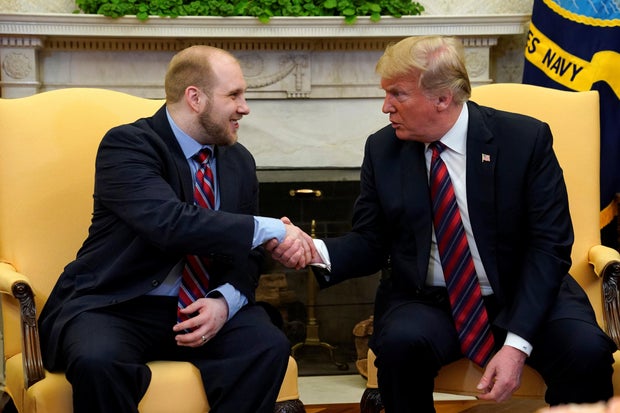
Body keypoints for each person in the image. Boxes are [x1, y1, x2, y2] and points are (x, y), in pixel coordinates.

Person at [267, 35, 616, 412]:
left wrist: (516, 345)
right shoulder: (383, 149)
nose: (386, 107)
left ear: (442, 98)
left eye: (397, 94)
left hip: (524, 292)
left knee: (586, 352)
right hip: (429, 300)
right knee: (399, 346)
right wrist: (311, 248)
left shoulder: (524, 140)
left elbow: (549, 247)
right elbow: (370, 241)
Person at [38, 45, 314, 413]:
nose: (245, 107)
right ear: (195, 98)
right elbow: (169, 223)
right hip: (118, 303)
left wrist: (224, 302)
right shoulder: (128, 145)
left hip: (200, 307)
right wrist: (272, 230)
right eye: (234, 95)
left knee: (266, 346)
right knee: (97, 360)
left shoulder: (239, 161)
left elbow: (245, 255)